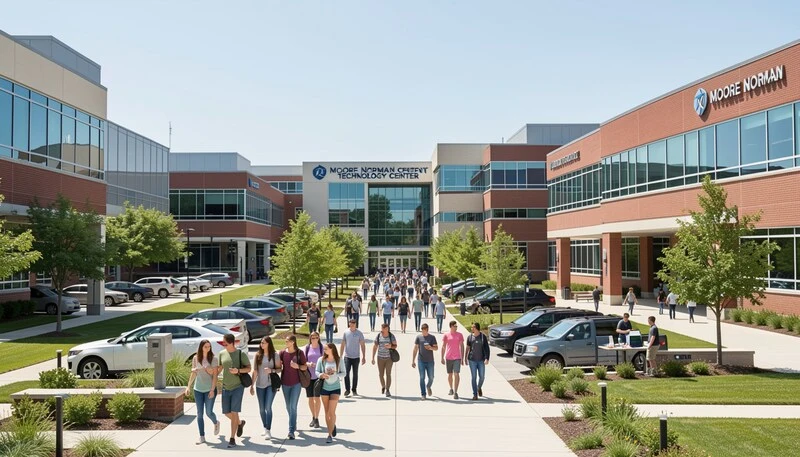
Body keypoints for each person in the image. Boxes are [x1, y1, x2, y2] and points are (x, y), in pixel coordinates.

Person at [218, 333, 250, 448]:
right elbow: (219, 368)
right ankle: (240, 423)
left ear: (231, 342)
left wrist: (238, 371)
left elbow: (249, 368)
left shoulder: (240, 354)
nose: (223, 344)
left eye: (224, 342)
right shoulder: (222, 354)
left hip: (238, 387)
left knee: (234, 411)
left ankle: (232, 438)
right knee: (227, 412)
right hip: (226, 387)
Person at [185, 340, 220, 445]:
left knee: (209, 412)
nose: (208, 348)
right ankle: (202, 436)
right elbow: (194, 373)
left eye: (209, 347)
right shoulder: (196, 358)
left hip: (209, 389)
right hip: (198, 389)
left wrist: (212, 390)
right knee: (200, 414)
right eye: (205, 347)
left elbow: (215, 376)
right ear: (201, 347)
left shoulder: (214, 359)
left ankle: (216, 422)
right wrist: (188, 386)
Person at [250, 336, 281, 439]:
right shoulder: (258, 355)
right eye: (261, 343)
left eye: (263, 343)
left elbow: (279, 369)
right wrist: (252, 385)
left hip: (270, 384)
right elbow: (255, 371)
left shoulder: (275, 355)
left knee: (268, 407)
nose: (261, 344)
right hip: (259, 385)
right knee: (262, 409)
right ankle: (265, 427)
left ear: (268, 344)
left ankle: (268, 430)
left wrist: (271, 370)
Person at [280, 335, 308, 440]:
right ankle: (293, 421)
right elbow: (279, 366)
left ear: (293, 342)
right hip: (285, 383)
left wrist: (298, 366)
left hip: (296, 384)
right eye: (285, 340)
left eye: (287, 341)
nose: (286, 342)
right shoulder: (282, 353)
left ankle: (291, 430)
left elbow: (305, 366)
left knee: (292, 406)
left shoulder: (299, 353)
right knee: (288, 406)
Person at [317, 343, 346, 444]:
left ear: (332, 349)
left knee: (331, 412)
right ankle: (331, 426)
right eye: (324, 349)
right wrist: (321, 375)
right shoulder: (321, 360)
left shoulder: (339, 360)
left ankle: (329, 434)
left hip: (335, 387)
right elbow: (317, 371)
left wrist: (336, 374)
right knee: (326, 412)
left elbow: (344, 373)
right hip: (324, 387)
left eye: (326, 349)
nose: (324, 350)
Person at [339, 319, 366, 397]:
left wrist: (364, 356)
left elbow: (362, 345)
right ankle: (347, 389)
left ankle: (354, 389)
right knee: (346, 373)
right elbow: (343, 344)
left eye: (354, 323)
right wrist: (340, 356)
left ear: (356, 324)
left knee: (355, 374)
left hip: (356, 357)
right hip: (347, 356)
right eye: (351, 323)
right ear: (349, 324)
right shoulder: (346, 332)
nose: (352, 325)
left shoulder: (359, 333)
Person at [411, 323, 438, 399]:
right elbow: (415, 348)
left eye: (424, 331)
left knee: (431, 377)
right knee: (422, 377)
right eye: (422, 331)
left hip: (430, 361)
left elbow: (436, 348)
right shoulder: (419, 337)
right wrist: (413, 360)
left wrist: (431, 348)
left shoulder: (432, 337)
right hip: (421, 361)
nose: (423, 332)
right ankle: (423, 394)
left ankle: (428, 386)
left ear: (427, 330)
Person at [371, 323, 398, 397]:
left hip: (389, 358)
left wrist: (390, 346)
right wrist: (373, 357)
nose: (382, 330)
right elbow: (375, 346)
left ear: (387, 329)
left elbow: (395, 346)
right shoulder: (379, 335)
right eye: (381, 328)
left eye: (383, 328)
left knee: (388, 374)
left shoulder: (391, 336)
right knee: (381, 374)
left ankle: (387, 389)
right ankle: (383, 386)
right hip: (380, 358)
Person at [465, 322, 490, 400]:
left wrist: (487, 358)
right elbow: (468, 348)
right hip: (472, 360)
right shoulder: (469, 337)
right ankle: (475, 394)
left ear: (476, 328)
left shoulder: (483, 337)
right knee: (474, 377)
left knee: (482, 377)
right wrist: (465, 358)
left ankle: (479, 387)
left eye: (473, 327)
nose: (471, 328)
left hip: (481, 360)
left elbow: (487, 348)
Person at [303, 332, 324, 429]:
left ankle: (317, 418)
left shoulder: (321, 348)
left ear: (319, 338)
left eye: (316, 337)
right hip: (308, 376)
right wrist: (308, 364)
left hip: (318, 376)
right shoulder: (307, 348)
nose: (314, 339)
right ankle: (313, 417)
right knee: (310, 398)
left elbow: (325, 360)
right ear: (310, 338)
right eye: (312, 337)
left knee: (317, 398)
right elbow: (303, 361)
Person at [440, 320, 465, 399]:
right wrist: (442, 357)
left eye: (456, 326)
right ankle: (451, 388)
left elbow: (462, 346)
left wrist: (462, 358)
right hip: (448, 357)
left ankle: (456, 392)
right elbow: (443, 346)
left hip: (457, 357)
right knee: (450, 374)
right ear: (451, 326)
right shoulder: (446, 335)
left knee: (456, 374)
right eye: (455, 326)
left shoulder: (460, 335)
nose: (456, 327)